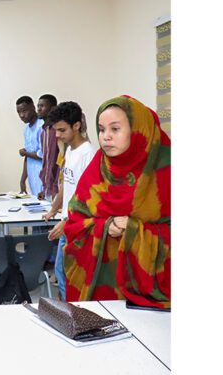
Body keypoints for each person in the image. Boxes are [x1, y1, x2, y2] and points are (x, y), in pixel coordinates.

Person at [63, 95, 170, 309]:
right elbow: (74, 222)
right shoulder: (98, 167)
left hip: (152, 304)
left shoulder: (166, 171)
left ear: (138, 129)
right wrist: (104, 226)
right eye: (101, 129)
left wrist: (133, 229)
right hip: (101, 295)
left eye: (115, 129)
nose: (106, 137)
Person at [41, 102, 95, 299]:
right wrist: (54, 209)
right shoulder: (70, 150)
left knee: (69, 276)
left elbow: (88, 198)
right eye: (56, 130)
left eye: (62, 130)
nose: (57, 135)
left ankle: (72, 311)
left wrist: (68, 222)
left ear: (77, 125)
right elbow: (66, 185)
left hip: (78, 225)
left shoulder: (89, 155)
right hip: (68, 222)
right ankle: (68, 308)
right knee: (62, 273)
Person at [16, 96, 44, 195]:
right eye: (19, 112)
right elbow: (27, 156)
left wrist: (25, 153)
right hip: (33, 177)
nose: (21, 115)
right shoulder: (26, 129)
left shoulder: (42, 126)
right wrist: (23, 179)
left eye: (24, 111)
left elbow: (44, 155)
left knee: (46, 203)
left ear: (33, 107)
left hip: (44, 177)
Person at [37, 94, 60, 200]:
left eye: (42, 106)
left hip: (57, 189)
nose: (39, 109)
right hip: (47, 189)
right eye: (38, 106)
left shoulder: (58, 131)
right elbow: (46, 163)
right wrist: (45, 189)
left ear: (53, 108)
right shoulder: (43, 132)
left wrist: (55, 188)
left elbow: (60, 162)